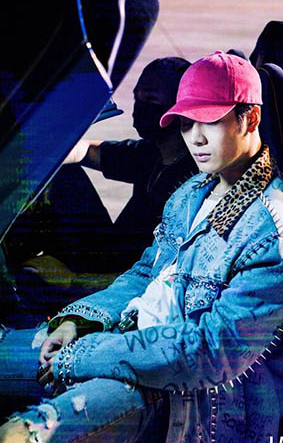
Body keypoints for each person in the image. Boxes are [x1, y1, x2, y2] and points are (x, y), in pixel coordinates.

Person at [0, 51, 283, 443]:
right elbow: (146, 274)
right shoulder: (193, 192)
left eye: (209, 122)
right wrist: (79, 321)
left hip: (190, 399)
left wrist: (90, 354)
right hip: (128, 345)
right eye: (185, 124)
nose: (195, 138)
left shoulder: (272, 231)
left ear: (250, 119)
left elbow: (209, 353)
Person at [2, 57, 196, 318]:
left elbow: (156, 277)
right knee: (62, 172)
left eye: (151, 100)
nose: (140, 107)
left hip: (123, 279)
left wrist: (70, 279)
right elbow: (85, 151)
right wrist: (35, 151)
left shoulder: (190, 185)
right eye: (137, 97)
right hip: (109, 250)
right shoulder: (152, 154)